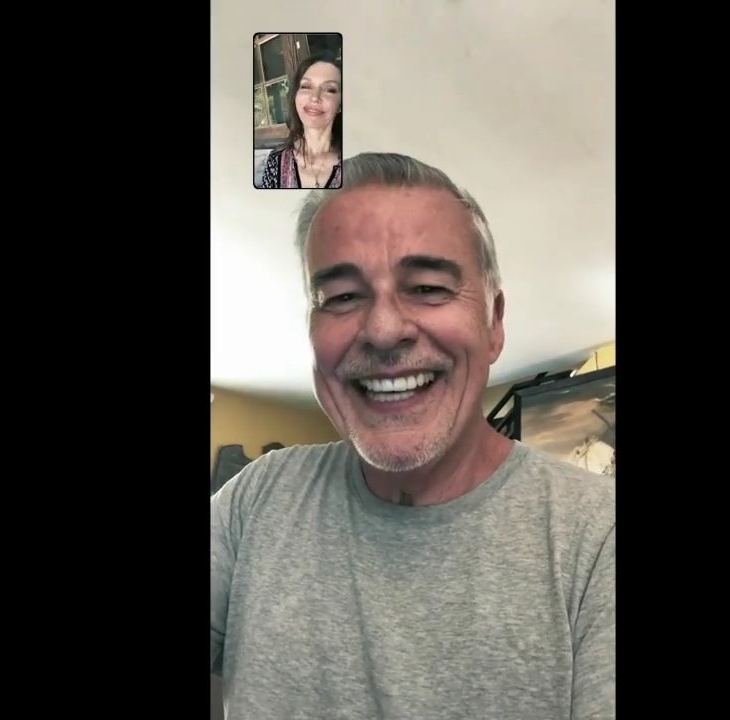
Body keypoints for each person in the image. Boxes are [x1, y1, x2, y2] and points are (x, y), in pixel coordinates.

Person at [211, 153, 615, 719]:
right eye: (342, 296)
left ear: (494, 323)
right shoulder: (256, 501)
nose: (382, 330)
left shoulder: (598, 538)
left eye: (427, 287)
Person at [257, 53, 343, 189]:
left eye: (329, 89)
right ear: (295, 96)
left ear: (340, 104)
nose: (315, 97)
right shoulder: (276, 161)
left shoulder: (357, 165)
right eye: (306, 87)